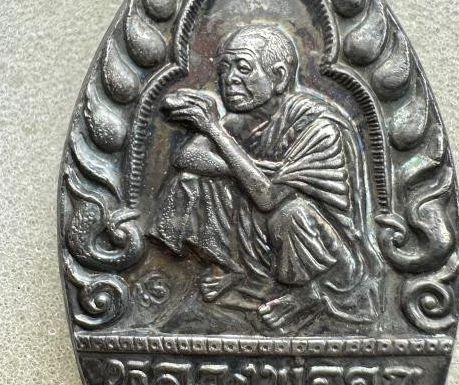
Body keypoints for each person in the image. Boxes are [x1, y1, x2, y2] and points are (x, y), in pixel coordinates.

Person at [151, 23, 384, 332]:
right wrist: (246, 167)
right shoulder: (246, 119)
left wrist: (215, 130)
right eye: (224, 69)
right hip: (269, 240)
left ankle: (307, 296)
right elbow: (187, 157)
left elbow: (268, 197)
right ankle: (244, 273)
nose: (230, 79)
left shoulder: (320, 126)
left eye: (243, 67)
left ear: (279, 77)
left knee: (289, 212)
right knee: (190, 181)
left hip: (331, 259)